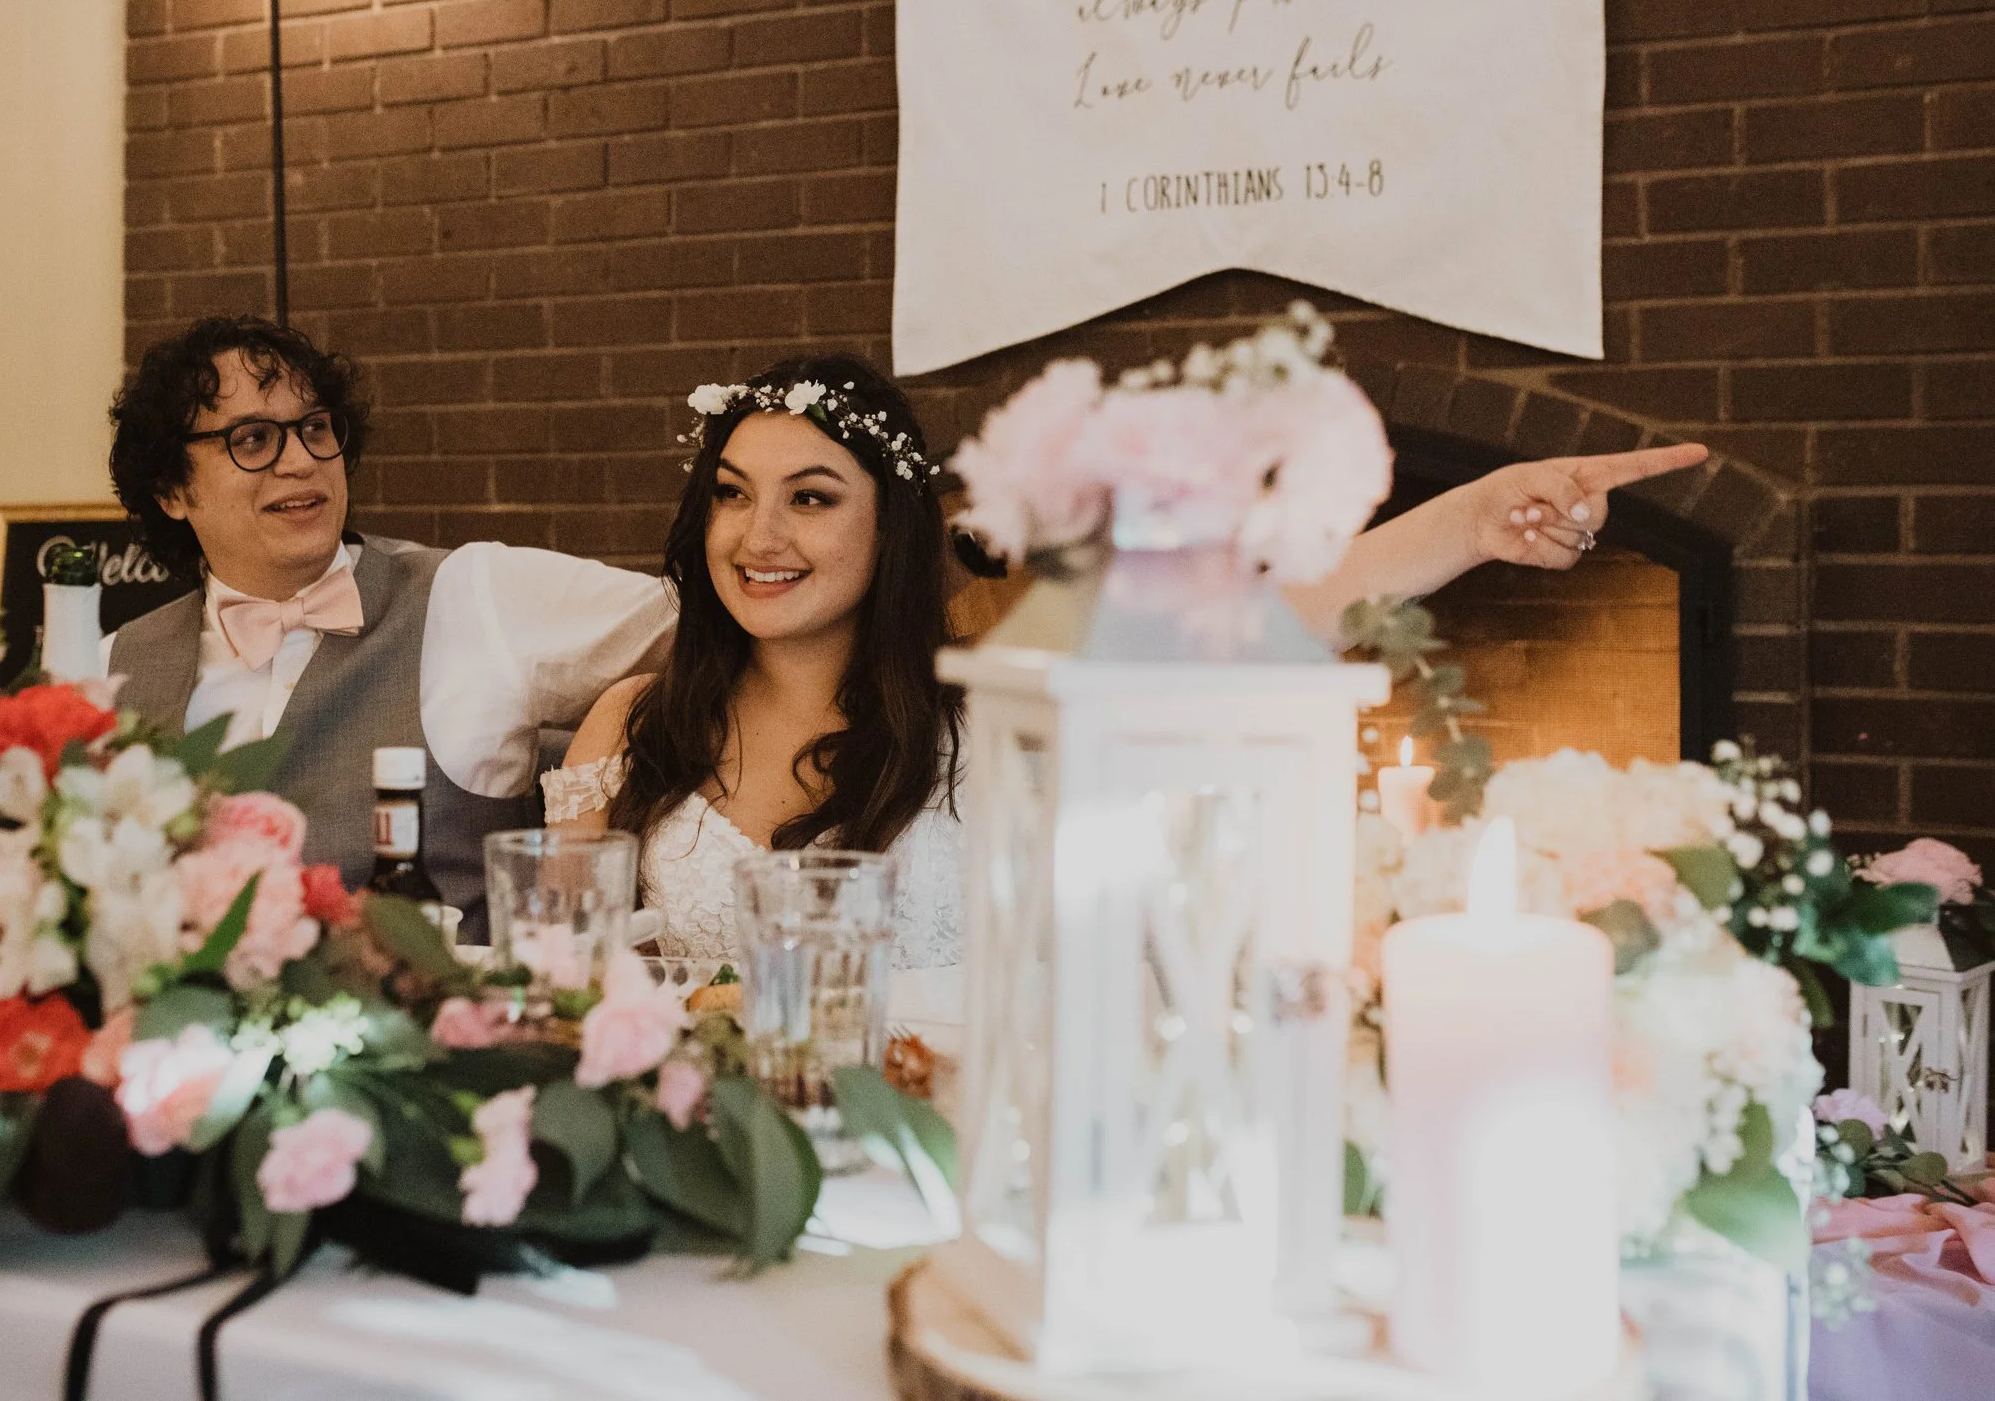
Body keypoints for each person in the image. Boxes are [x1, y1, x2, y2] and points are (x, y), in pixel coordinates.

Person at [543, 352, 1706, 968]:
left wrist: (1473, 518)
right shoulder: (634, 727)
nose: (760, 538)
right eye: (733, 497)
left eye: (810, 498)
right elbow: (556, 984)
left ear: (888, 528)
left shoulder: (992, 720)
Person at [103, 317, 672, 933]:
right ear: (171, 491)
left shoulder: (473, 596)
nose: (300, 461)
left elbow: (721, 628)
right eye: (253, 438)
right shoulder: (104, 668)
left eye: (316, 428)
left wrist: (615, 722)